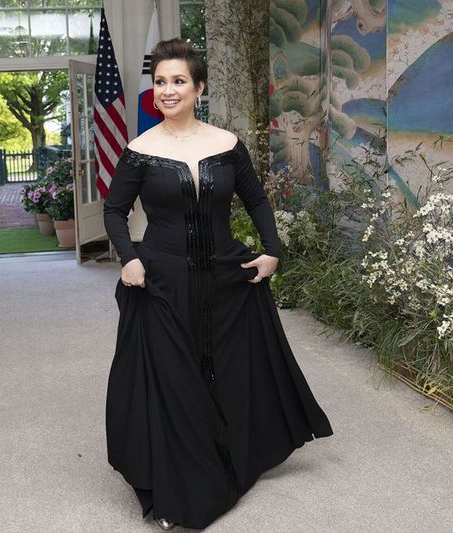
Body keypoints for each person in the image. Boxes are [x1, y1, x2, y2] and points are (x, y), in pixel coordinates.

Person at [103, 38, 332, 531]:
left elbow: (256, 201)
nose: (167, 90)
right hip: (160, 280)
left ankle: (231, 453)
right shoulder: (139, 150)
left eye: (178, 81)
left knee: (226, 369)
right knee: (175, 381)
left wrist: (272, 251)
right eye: (160, 81)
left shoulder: (226, 144)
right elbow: (114, 211)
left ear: (198, 87)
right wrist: (129, 258)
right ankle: (183, 490)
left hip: (226, 276)